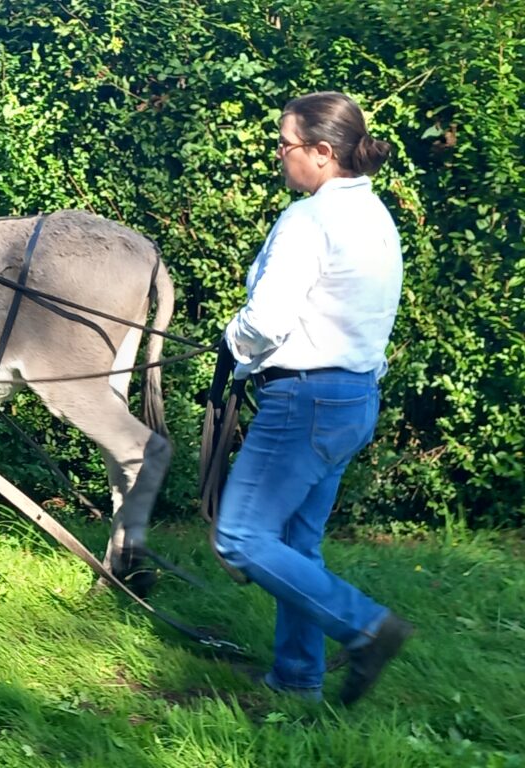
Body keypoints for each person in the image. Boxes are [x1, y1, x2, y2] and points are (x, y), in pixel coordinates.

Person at [215, 91, 412, 705]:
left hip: (304, 401)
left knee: (242, 537)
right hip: (353, 399)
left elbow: (266, 321)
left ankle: (366, 628)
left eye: (285, 144)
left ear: (323, 153)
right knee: (297, 543)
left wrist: (230, 341)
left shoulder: (309, 220)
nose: (279, 156)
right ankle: (297, 677)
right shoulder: (376, 216)